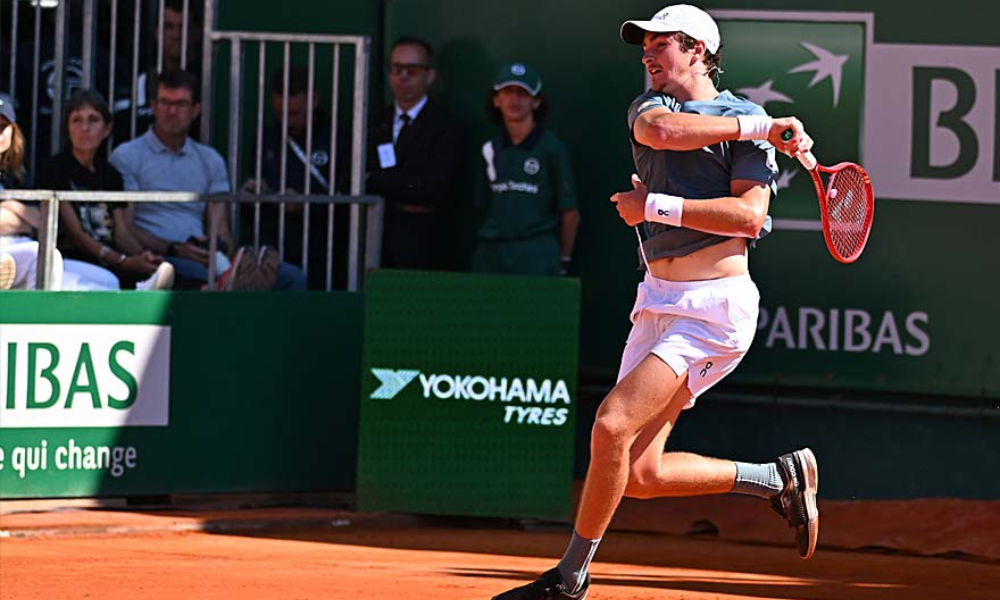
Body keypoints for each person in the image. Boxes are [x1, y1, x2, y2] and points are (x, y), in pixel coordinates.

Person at [491, 6, 818, 599]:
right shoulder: (653, 107)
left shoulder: (749, 123)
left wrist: (656, 207)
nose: (647, 52)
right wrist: (761, 127)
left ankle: (569, 578)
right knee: (640, 473)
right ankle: (776, 479)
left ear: (698, 50)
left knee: (611, 424)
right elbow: (662, 134)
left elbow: (749, 217)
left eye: (660, 43)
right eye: (644, 44)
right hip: (657, 301)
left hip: (712, 308)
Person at [110, 70, 306, 291]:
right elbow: (125, 230)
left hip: (204, 256)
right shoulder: (127, 156)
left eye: (181, 104)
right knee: (199, 275)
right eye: (165, 103)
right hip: (159, 259)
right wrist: (173, 249)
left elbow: (221, 230)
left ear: (196, 110)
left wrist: (224, 252)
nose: (172, 111)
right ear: (153, 107)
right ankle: (231, 287)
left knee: (292, 278)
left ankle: (234, 283)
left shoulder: (210, 160)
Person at [35, 89, 174, 291]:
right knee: (111, 281)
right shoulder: (54, 169)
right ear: (67, 127)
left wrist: (143, 256)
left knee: (170, 276)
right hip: (74, 259)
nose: (85, 128)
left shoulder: (111, 174)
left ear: (107, 128)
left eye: (93, 120)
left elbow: (121, 233)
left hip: (112, 258)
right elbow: (76, 235)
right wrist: (123, 261)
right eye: (77, 120)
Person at [241, 66, 351, 289]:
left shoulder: (338, 140)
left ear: (314, 100)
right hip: (274, 256)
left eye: (294, 113)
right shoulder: (267, 139)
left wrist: (305, 202)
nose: (287, 121)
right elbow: (248, 212)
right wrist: (253, 195)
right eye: (280, 114)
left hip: (323, 254)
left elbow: (349, 202)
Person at [473, 63, 580, 276]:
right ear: (496, 100)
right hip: (492, 252)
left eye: (522, 93)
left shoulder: (551, 148)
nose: (514, 99)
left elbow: (570, 213)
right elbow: (480, 207)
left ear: (536, 101)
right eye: (507, 92)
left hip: (537, 252)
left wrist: (564, 260)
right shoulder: (489, 149)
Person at [367, 36, 463, 270]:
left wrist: (376, 181)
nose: (403, 76)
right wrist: (403, 189)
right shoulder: (373, 122)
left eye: (412, 70)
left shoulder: (447, 126)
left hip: (423, 247)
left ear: (430, 76)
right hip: (375, 244)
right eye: (396, 68)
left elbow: (432, 189)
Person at [0, 91, 64, 291]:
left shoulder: (16, 174)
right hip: (9, 249)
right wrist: (25, 222)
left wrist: (9, 204)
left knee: (48, 257)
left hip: (17, 248)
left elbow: (44, 221)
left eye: (2, 127)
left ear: (13, 132)